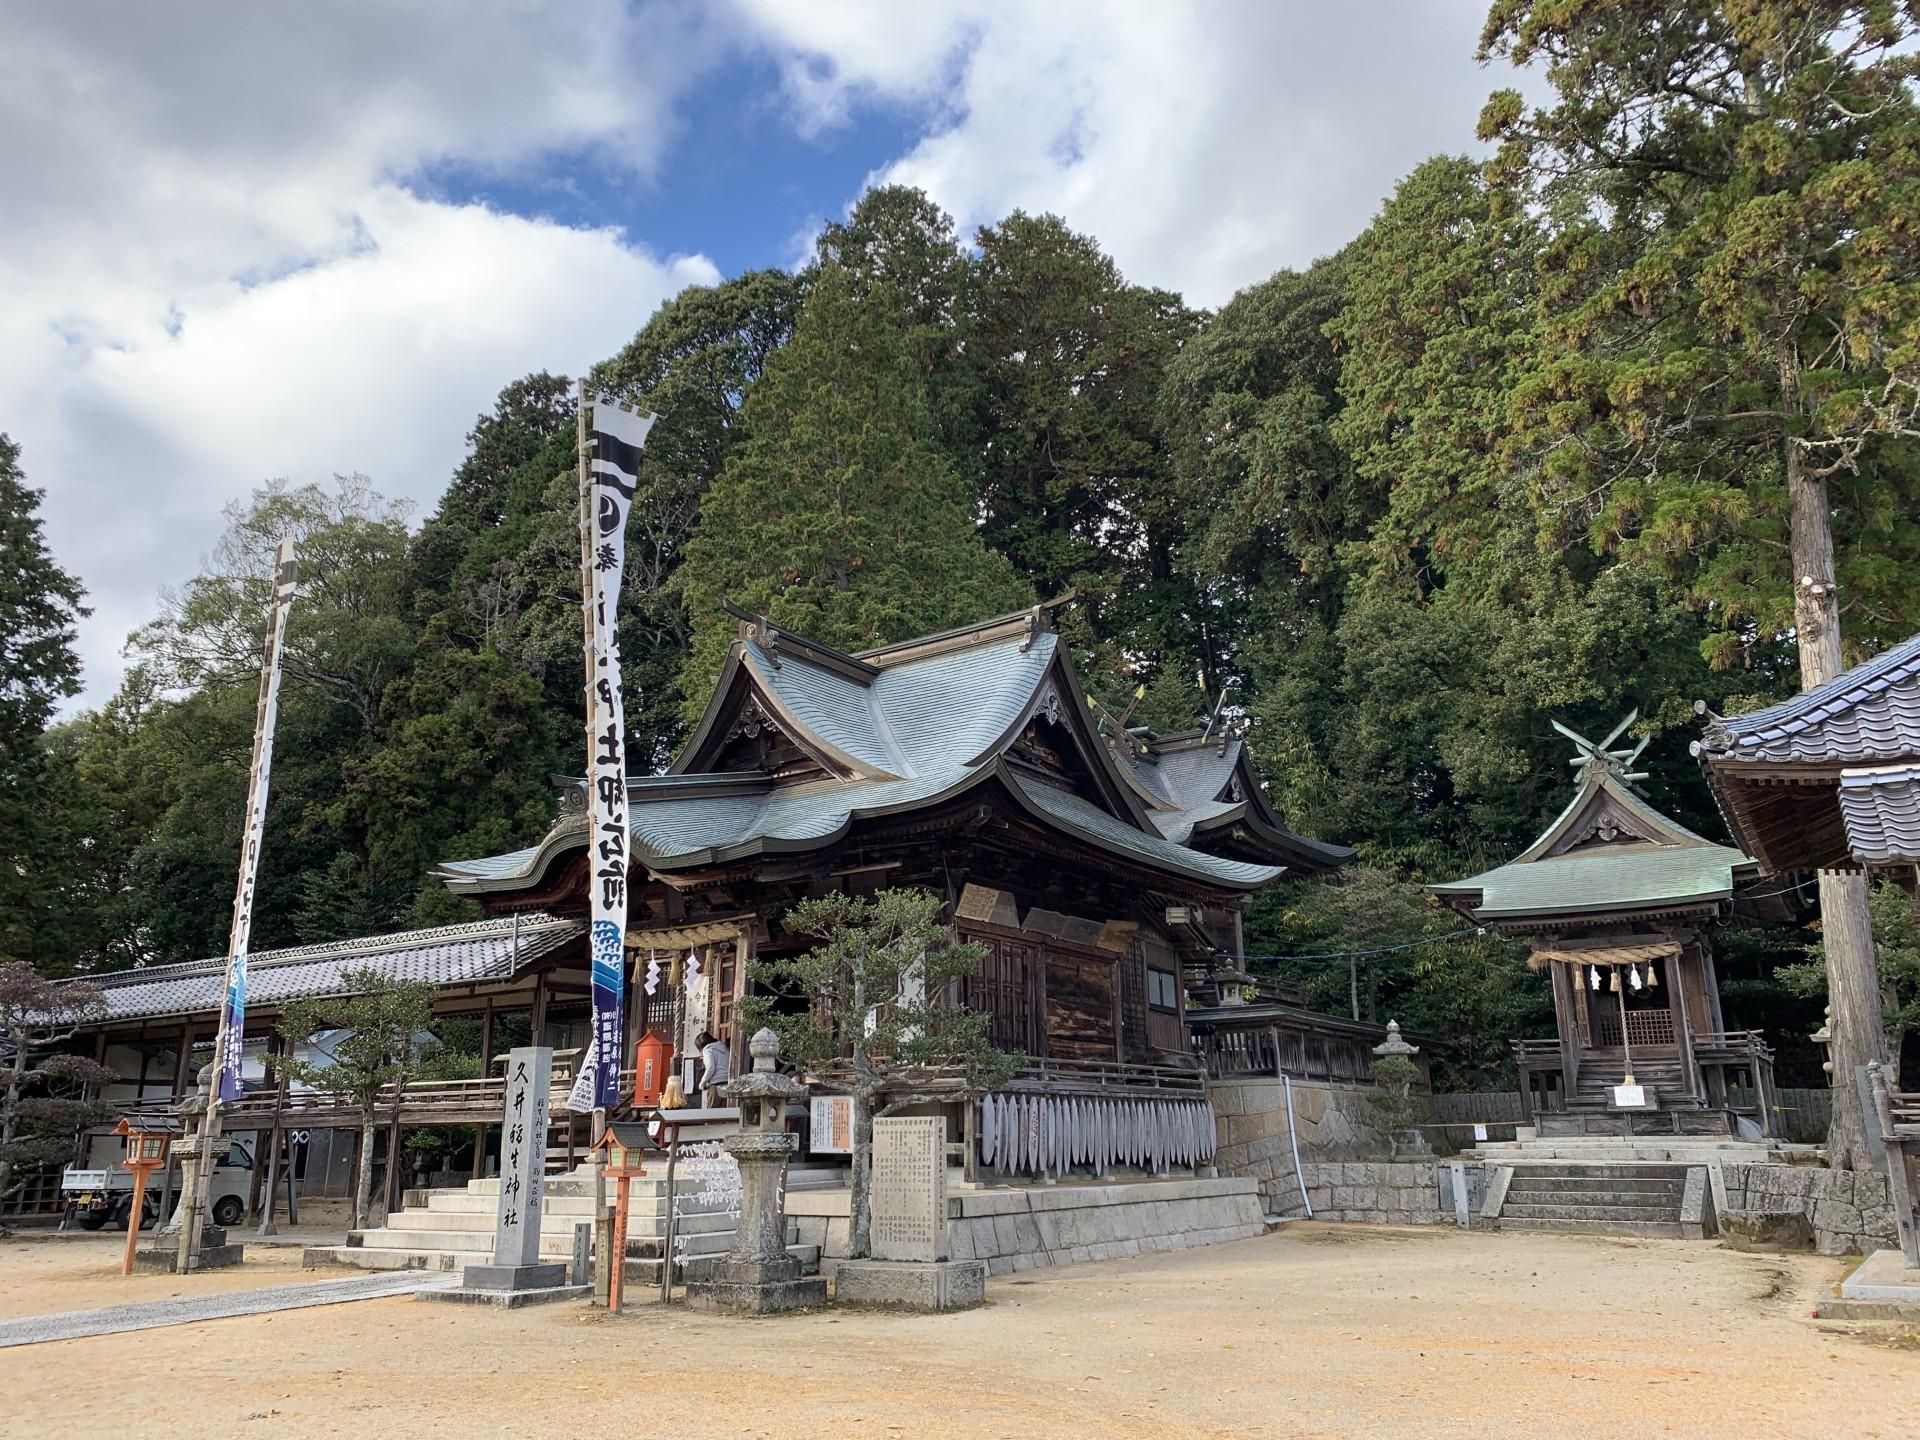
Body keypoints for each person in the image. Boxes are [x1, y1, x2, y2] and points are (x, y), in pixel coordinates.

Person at [697, 1029, 730, 1107]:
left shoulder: (708, 1050)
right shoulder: (724, 1047)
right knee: (725, 1113)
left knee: (713, 1114)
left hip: (716, 1085)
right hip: (727, 1082)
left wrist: (702, 1082)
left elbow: (710, 1068)